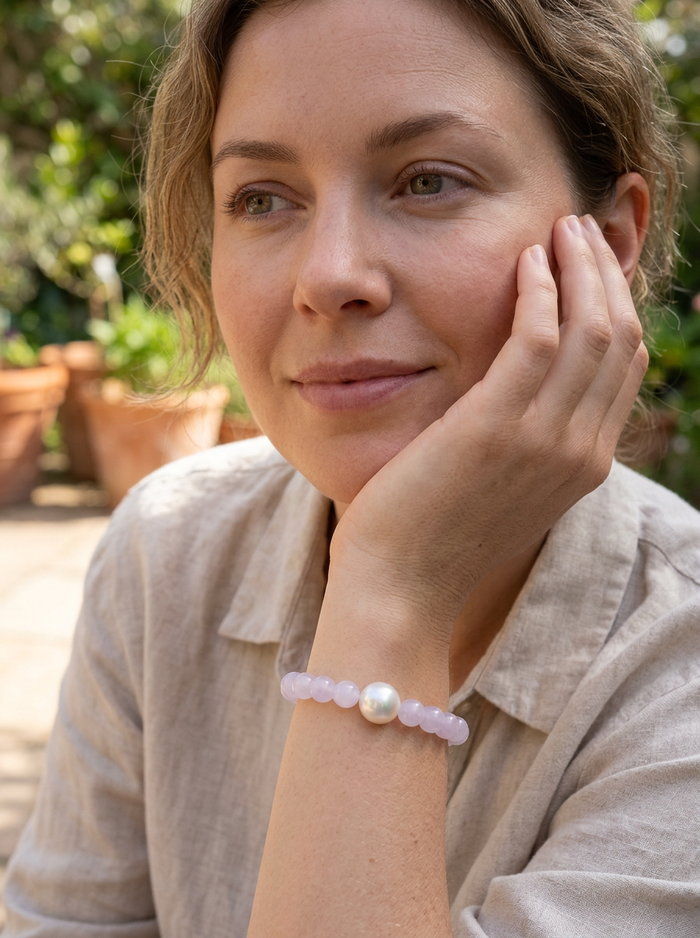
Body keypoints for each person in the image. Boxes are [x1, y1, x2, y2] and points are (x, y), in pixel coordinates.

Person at [4, 0, 699, 934]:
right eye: (262, 197)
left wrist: (393, 591)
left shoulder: (678, 665)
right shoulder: (166, 552)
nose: (328, 275)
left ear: (609, 243)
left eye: (429, 181)